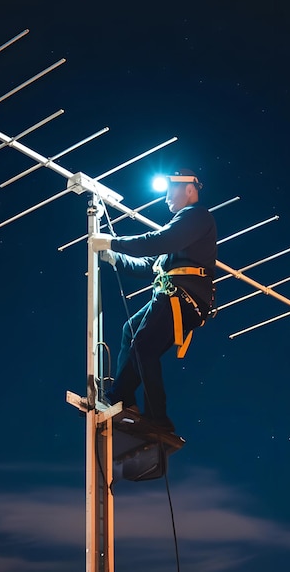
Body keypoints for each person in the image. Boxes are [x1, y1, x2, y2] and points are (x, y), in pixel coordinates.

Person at [90, 169, 217, 432]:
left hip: (183, 298)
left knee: (144, 347)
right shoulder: (181, 233)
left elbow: (160, 241)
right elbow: (151, 264)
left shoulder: (197, 216)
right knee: (131, 333)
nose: (166, 197)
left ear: (190, 189)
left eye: (171, 189)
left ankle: (157, 418)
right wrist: (114, 256)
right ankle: (124, 398)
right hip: (174, 296)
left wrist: (114, 243)